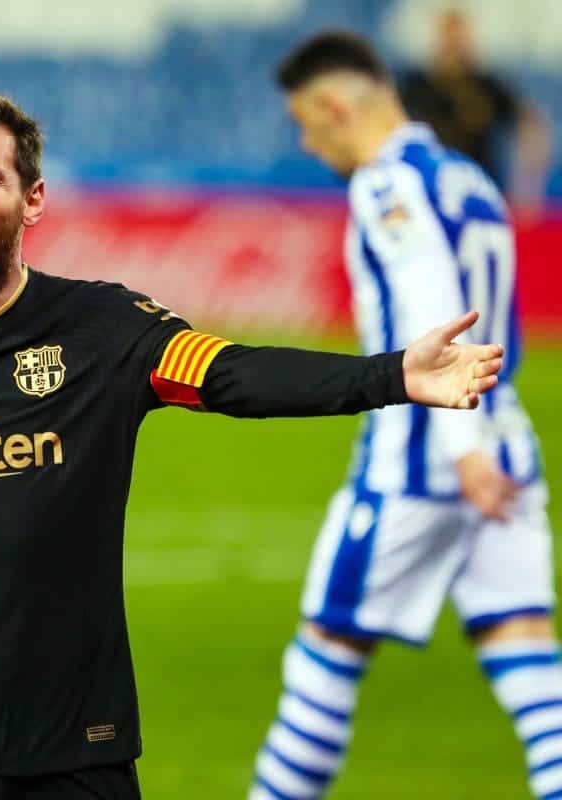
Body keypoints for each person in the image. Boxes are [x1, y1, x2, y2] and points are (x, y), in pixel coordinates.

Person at [0, 85, 505, 800]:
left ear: (33, 199)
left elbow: (231, 374)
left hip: (72, 744)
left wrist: (392, 374)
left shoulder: (103, 330)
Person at [249, 31, 554, 800]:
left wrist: (462, 449)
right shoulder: (470, 178)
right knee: (533, 672)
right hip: (506, 441)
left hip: (422, 456)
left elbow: (430, 302)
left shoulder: (386, 184)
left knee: (322, 658)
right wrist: (481, 447)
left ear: (332, 105)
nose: (305, 143)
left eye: (303, 122)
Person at [398, 6, 552, 207]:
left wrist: (526, 190)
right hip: (427, 193)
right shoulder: (417, 86)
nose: (454, 45)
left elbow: (531, 127)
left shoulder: (487, 86)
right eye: (449, 37)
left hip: (478, 193)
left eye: (459, 37)